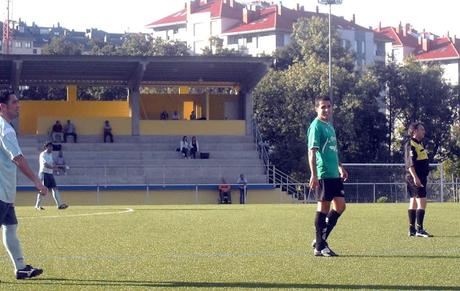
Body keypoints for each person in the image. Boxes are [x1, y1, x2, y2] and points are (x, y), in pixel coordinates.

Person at [0, 91, 47, 279]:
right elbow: (18, 159)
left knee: (10, 227)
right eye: (14, 102)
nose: (18, 105)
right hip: (1, 190)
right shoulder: (6, 130)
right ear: (2, 106)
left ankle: (21, 268)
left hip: (6, 190)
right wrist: (37, 181)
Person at [307, 96, 348, 257]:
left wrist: (340, 167)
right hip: (323, 173)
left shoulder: (329, 126)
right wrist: (314, 175)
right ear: (316, 108)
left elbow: (333, 150)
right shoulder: (316, 126)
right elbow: (312, 152)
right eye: (323, 107)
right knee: (323, 208)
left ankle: (319, 240)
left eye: (329, 106)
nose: (326, 109)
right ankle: (319, 247)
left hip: (334, 174)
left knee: (340, 206)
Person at [405, 122, 433, 237]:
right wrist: (416, 178)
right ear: (415, 131)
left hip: (418, 177)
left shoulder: (419, 144)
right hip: (415, 177)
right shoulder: (410, 144)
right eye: (422, 129)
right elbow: (410, 164)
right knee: (422, 201)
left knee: (413, 201)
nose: (424, 132)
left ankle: (412, 229)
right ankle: (419, 230)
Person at [35, 142, 69, 211]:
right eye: (49, 146)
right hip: (44, 173)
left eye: (52, 147)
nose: (51, 148)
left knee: (55, 188)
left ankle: (59, 205)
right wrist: (54, 168)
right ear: (46, 147)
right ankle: (37, 206)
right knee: (43, 189)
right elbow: (45, 165)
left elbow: (52, 162)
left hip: (50, 174)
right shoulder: (43, 154)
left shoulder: (50, 154)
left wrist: (55, 166)